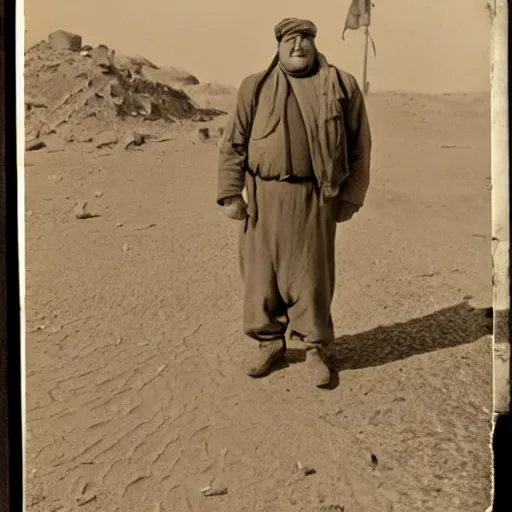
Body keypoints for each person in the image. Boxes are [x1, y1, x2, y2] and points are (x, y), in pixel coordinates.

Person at [216, 17, 372, 387]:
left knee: (312, 277)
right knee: (261, 278)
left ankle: (315, 349)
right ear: (279, 46)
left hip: (316, 198)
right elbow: (233, 143)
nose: (298, 45)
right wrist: (229, 193)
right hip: (263, 199)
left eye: (305, 38)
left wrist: (351, 196)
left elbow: (360, 148)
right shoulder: (253, 87)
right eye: (290, 39)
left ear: (315, 44)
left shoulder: (341, 85)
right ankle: (269, 342)